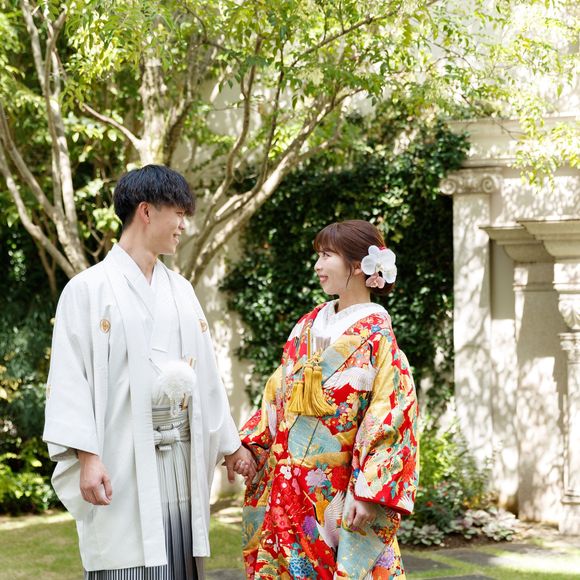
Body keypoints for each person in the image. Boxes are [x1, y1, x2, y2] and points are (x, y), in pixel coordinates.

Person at [43, 165, 256, 579]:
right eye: (178, 213)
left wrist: (231, 446)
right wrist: (88, 457)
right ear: (145, 211)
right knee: (125, 556)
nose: (183, 225)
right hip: (120, 455)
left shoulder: (181, 290)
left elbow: (206, 376)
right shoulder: (88, 290)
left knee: (177, 554)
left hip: (180, 455)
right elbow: (70, 380)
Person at [237, 219, 419, 579]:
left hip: (339, 491)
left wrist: (369, 491)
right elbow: (277, 394)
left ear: (358, 266)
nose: (317, 265)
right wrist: (252, 445)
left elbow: (392, 416)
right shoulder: (306, 326)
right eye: (318, 255)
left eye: (326, 255)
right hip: (288, 487)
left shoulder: (378, 339)